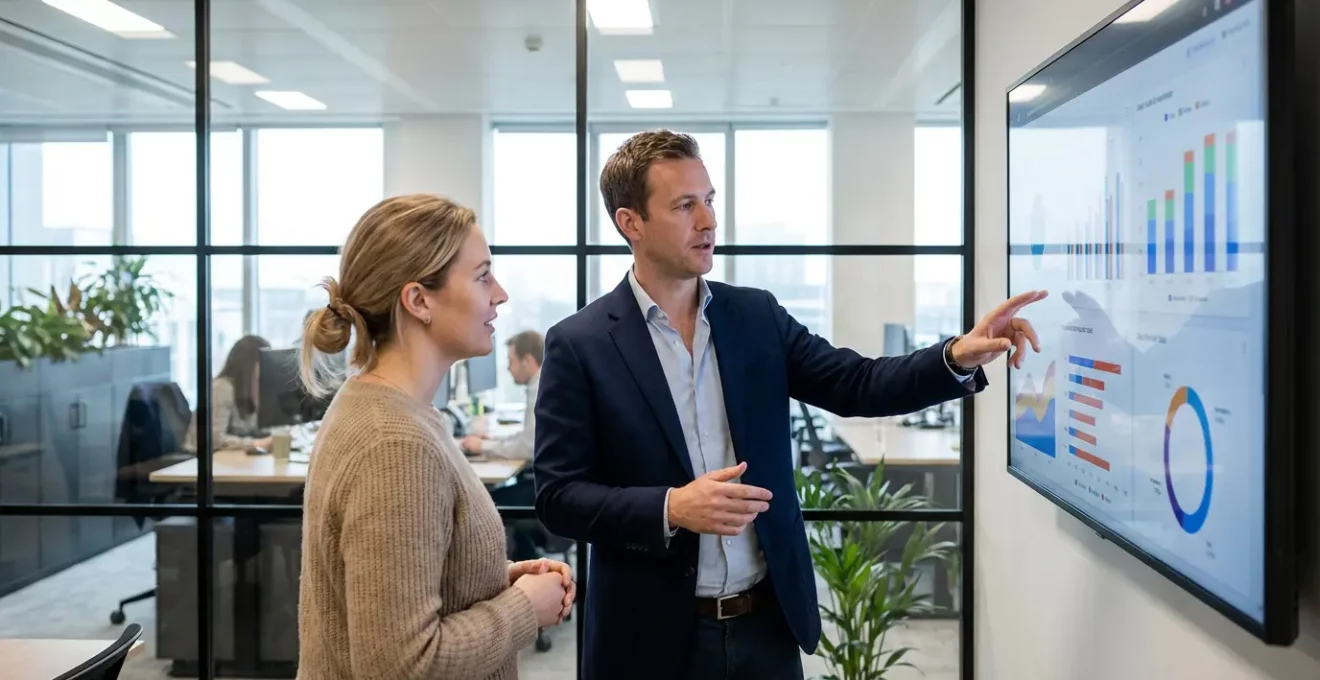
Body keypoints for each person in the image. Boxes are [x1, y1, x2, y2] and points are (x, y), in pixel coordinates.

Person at [532, 130, 1045, 679]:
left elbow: (858, 383)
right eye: (685, 206)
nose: (707, 221)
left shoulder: (755, 317)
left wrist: (956, 355)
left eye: (709, 200)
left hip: (765, 627)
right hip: (650, 639)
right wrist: (670, 507)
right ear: (630, 222)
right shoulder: (579, 343)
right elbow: (559, 495)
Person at [295, 193, 576, 680]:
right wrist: (523, 610)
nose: (501, 294)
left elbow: (391, 590)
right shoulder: (395, 444)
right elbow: (401, 665)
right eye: (483, 275)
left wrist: (502, 582)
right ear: (418, 300)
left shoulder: (387, 408)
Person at [461, 329, 543, 460]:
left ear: (527, 361)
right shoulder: (541, 383)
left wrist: (483, 446)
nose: (508, 367)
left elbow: (529, 447)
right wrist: (495, 441)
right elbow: (530, 436)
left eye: (511, 361)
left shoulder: (540, 389)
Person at [184, 334, 271, 452]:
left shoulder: (251, 390)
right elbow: (214, 439)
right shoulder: (221, 389)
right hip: (202, 460)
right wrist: (256, 443)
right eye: (263, 362)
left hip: (230, 459)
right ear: (249, 365)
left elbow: (251, 429)